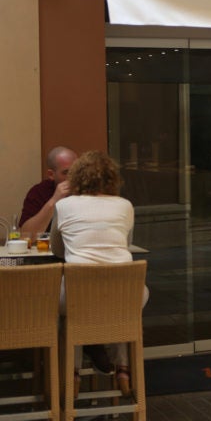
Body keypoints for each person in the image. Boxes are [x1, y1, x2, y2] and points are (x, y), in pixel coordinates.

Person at [51, 150, 148, 397]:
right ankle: (123, 370)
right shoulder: (125, 206)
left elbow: (57, 249)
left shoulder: (64, 205)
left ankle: (72, 375)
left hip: (78, 294)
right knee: (120, 306)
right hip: (125, 292)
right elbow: (126, 244)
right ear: (112, 178)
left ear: (77, 177)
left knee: (69, 313)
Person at [18, 146, 78, 241]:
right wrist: (54, 200)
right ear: (51, 175)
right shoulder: (39, 192)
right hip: (47, 251)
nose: (73, 177)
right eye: (66, 172)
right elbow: (26, 237)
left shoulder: (89, 189)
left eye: (76, 171)